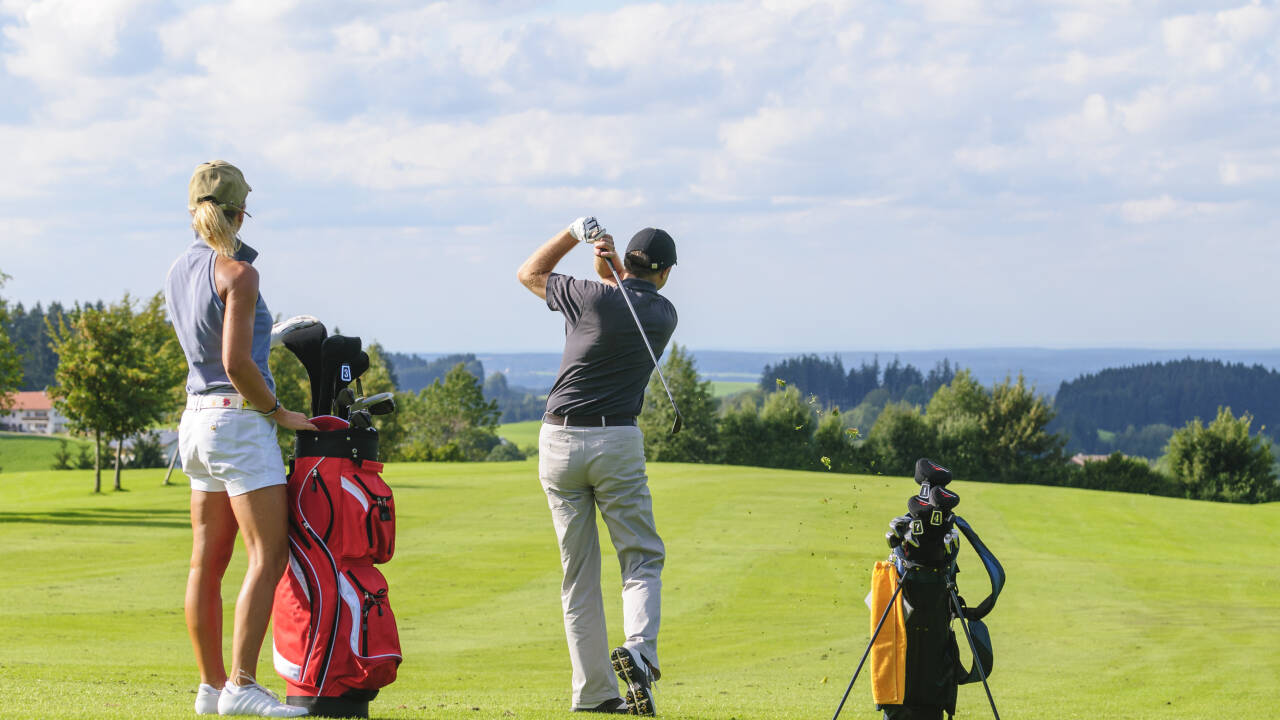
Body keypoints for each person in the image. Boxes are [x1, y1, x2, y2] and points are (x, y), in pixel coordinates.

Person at [164, 160, 315, 717]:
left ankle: (210, 687)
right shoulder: (239, 273)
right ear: (239, 212)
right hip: (238, 422)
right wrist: (279, 412)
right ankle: (241, 686)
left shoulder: (178, 270)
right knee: (267, 554)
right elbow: (236, 363)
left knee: (206, 563)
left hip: (195, 423)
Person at [517, 217, 678, 715]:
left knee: (579, 575)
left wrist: (573, 234)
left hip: (558, 440)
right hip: (616, 441)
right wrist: (611, 272)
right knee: (641, 557)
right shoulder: (665, 314)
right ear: (666, 273)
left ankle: (595, 694)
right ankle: (639, 651)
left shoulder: (589, 297)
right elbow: (627, 297)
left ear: (626, 261)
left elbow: (529, 273)